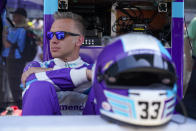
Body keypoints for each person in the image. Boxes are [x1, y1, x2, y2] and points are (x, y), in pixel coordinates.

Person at [22, 11, 92, 115]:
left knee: (102, 83)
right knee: (39, 88)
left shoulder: (92, 68)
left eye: (60, 35)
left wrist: (47, 74)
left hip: (88, 125)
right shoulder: (35, 66)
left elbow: (101, 76)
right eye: (50, 35)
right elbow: (30, 80)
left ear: (79, 40)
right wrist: (85, 76)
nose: (53, 40)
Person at [1, 8, 28, 108]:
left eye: (15, 15)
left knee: (14, 85)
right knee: (15, 84)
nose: (13, 17)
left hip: (14, 60)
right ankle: (19, 104)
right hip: (15, 60)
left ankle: (20, 106)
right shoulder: (21, 30)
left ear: (20, 17)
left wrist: (4, 35)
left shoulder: (19, 31)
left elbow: (7, 45)